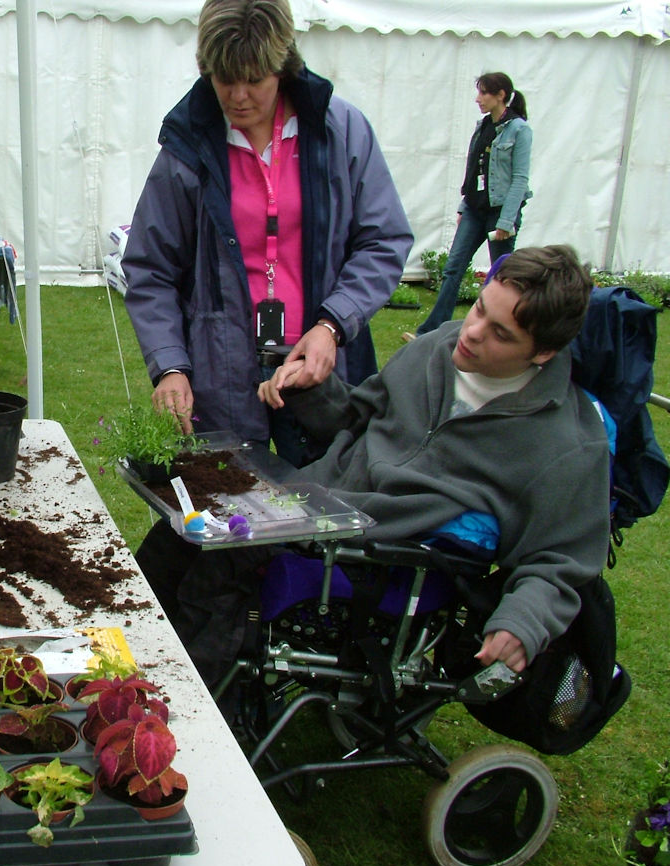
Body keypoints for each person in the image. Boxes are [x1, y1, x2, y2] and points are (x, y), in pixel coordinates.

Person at [172, 245, 611, 688]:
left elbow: (563, 559)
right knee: (177, 533)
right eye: (479, 308)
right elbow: (355, 416)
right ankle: (118, 675)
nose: (473, 332)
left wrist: (524, 620)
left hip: (379, 550)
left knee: (218, 565)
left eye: (500, 333)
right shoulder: (438, 347)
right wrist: (311, 388)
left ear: (543, 353)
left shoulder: (566, 443)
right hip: (311, 502)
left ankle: (183, 718)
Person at [122, 0, 411, 467]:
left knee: (326, 513)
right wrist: (170, 366)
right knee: (229, 516)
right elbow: (150, 268)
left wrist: (331, 326)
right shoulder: (187, 146)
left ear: (283, 66)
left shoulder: (341, 131)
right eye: (223, 78)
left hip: (315, 368)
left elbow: (384, 241)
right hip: (222, 375)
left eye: (254, 79)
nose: (238, 95)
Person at [406, 72, 532, 340]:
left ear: (501, 95)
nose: (478, 99)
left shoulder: (520, 130)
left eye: (484, 93)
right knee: (453, 267)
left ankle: (498, 330)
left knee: (502, 275)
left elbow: (520, 178)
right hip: (475, 209)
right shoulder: (483, 125)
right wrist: (464, 206)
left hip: (500, 213)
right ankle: (430, 333)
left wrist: (506, 221)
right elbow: (475, 169)